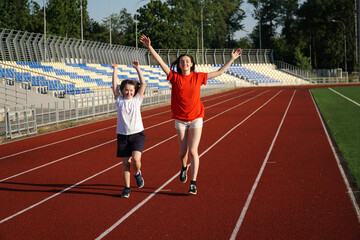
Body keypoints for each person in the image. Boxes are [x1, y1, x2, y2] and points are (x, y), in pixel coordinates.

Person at [140, 35, 242, 195]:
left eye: (187, 61)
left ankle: (193, 182)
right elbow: (161, 63)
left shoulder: (198, 76)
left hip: (196, 118)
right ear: (179, 65)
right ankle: (183, 167)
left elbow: (220, 72)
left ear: (192, 64)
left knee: (194, 151)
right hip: (180, 120)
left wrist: (232, 58)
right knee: (183, 153)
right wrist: (149, 47)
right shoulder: (174, 77)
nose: (184, 63)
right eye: (182, 61)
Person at [112, 61, 146, 198]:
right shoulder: (119, 100)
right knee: (126, 164)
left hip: (137, 134)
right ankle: (126, 188)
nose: (128, 92)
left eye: (131, 90)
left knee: (136, 160)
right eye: (126, 90)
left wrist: (138, 68)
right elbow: (114, 86)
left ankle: (137, 173)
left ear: (135, 91)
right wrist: (115, 70)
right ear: (122, 90)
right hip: (122, 136)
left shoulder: (137, 100)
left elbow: (143, 84)